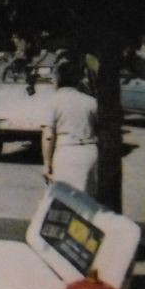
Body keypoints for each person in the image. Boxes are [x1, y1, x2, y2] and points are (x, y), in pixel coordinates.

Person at [42, 57, 99, 194]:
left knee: (65, 201)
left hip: (66, 153)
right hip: (90, 153)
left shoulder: (53, 102)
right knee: (87, 202)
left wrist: (47, 164)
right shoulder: (91, 102)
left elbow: (48, 136)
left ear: (58, 79)